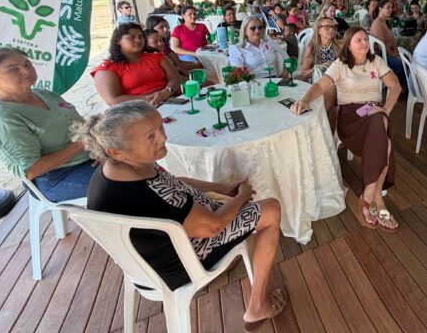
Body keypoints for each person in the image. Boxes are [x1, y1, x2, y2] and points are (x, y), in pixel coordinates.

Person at [78, 101, 286, 328]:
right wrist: (242, 197)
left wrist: (223, 189)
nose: (163, 138)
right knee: (271, 209)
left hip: (149, 256)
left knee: (240, 206)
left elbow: (174, 182)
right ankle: (257, 306)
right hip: (180, 262)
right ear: (115, 151)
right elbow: (213, 226)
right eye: (150, 136)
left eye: (161, 127)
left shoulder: (120, 167)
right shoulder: (150, 194)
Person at [291, 28, 401, 231]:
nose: (364, 43)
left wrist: (385, 109)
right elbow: (321, 86)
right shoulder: (340, 65)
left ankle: (371, 195)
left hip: (374, 111)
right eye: (358, 40)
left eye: (365, 39)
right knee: (384, 137)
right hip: (351, 117)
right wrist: (305, 100)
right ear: (348, 45)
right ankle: (376, 197)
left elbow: (395, 87)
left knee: (381, 123)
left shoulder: (375, 61)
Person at [0, 48, 95, 202]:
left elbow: (81, 124)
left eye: (27, 64)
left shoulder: (43, 94)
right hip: (56, 176)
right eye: (13, 69)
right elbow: (31, 170)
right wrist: (82, 143)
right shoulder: (1, 117)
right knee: (124, 181)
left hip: (89, 156)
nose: (26, 71)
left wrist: (100, 150)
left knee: (128, 158)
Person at [92, 24, 181, 106]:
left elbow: (175, 77)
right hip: (137, 110)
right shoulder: (107, 68)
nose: (138, 40)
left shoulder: (156, 56)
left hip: (171, 100)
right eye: (131, 37)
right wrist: (150, 99)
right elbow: (113, 101)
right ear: (118, 40)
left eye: (140, 37)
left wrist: (167, 91)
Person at [369, 0, 407, 92]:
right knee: (401, 63)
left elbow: (392, 40)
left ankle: (403, 85)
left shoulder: (385, 21)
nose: (390, 10)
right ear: (380, 9)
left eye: (391, 7)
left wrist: (396, 52)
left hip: (387, 53)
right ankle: (398, 87)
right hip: (381, 56)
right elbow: (381, 47)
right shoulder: (377, 24)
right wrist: (394, 55)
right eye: (388, 7)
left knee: (407, 58)